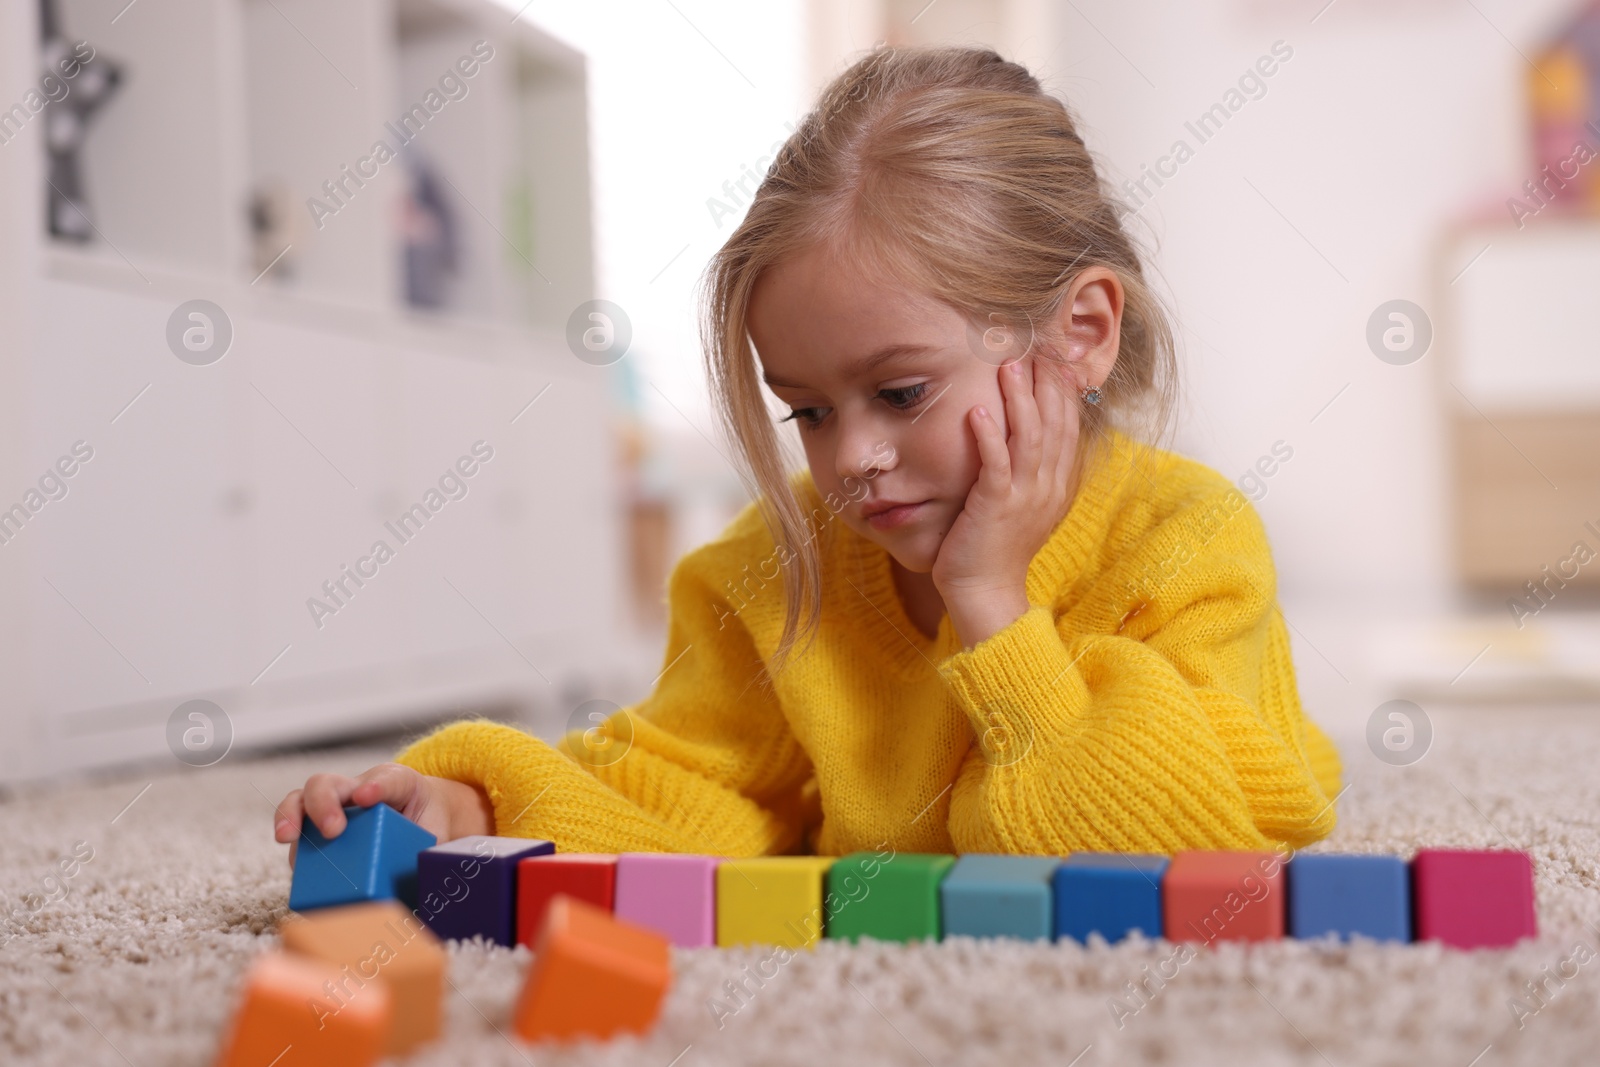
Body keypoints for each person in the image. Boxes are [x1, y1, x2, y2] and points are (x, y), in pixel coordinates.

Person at [274, 44, 1341, 865]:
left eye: (900, 392)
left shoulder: (1186, 541)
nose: (854, 458)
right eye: (808, 411)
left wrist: (991, 604)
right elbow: (690, 788)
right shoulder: (780, 560)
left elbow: (1179, 857)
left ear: (1080, 333)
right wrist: (473, 803)